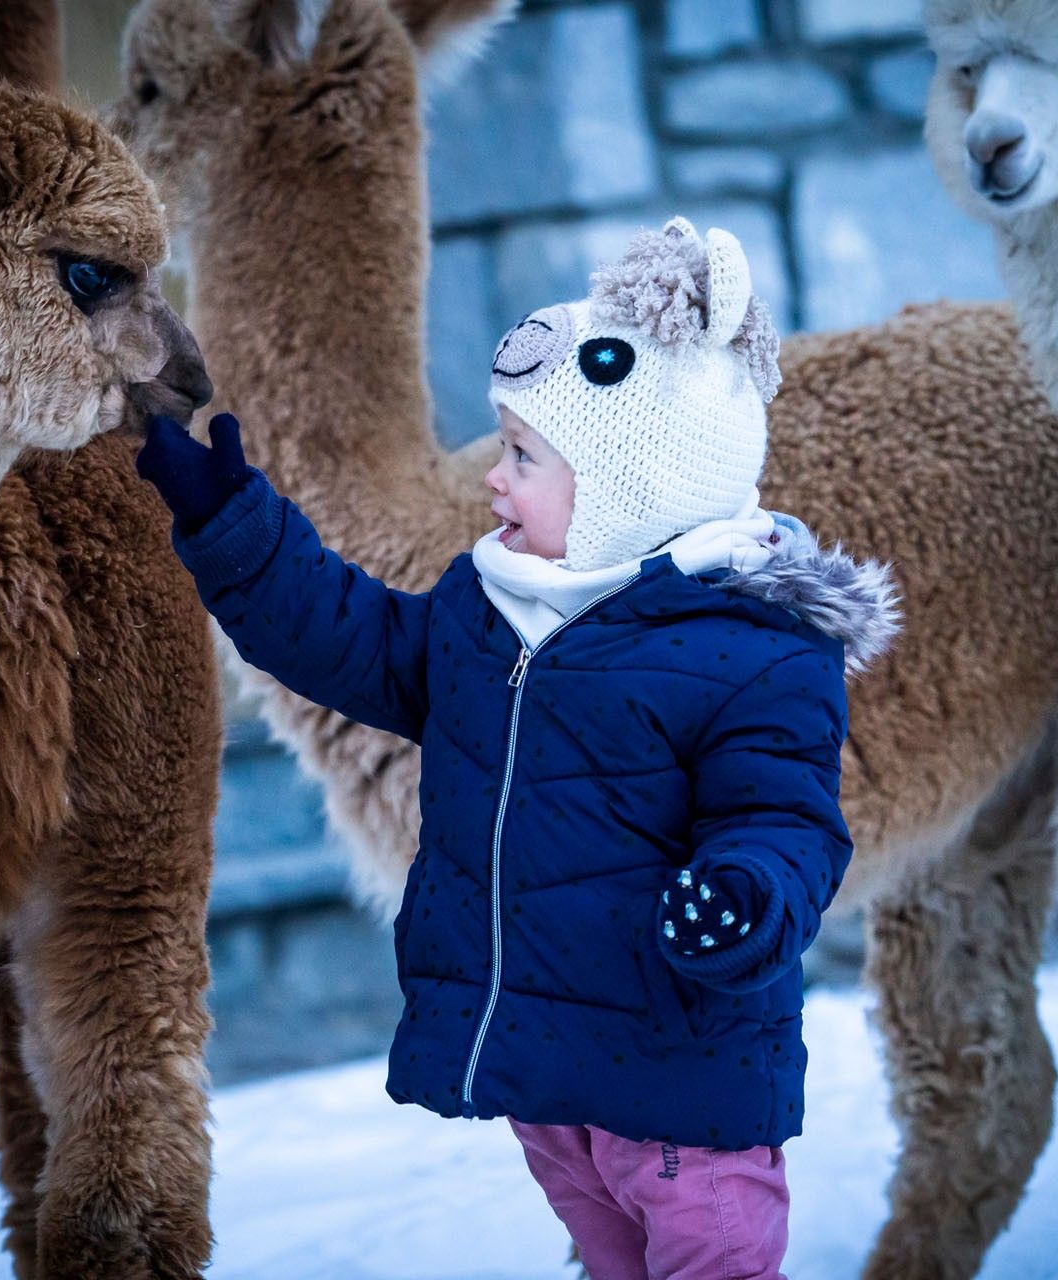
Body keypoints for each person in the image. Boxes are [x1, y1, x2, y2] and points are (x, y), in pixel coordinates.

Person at [137, 217, 899, 1280]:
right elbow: (349, 637)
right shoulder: (491, 609)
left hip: (688, 1092)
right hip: (552, 1081)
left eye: (523, 456)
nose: (494, 478)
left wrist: (742, 896)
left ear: (629, 488)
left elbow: (783, 822)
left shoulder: (752, 652)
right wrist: (232, 523)